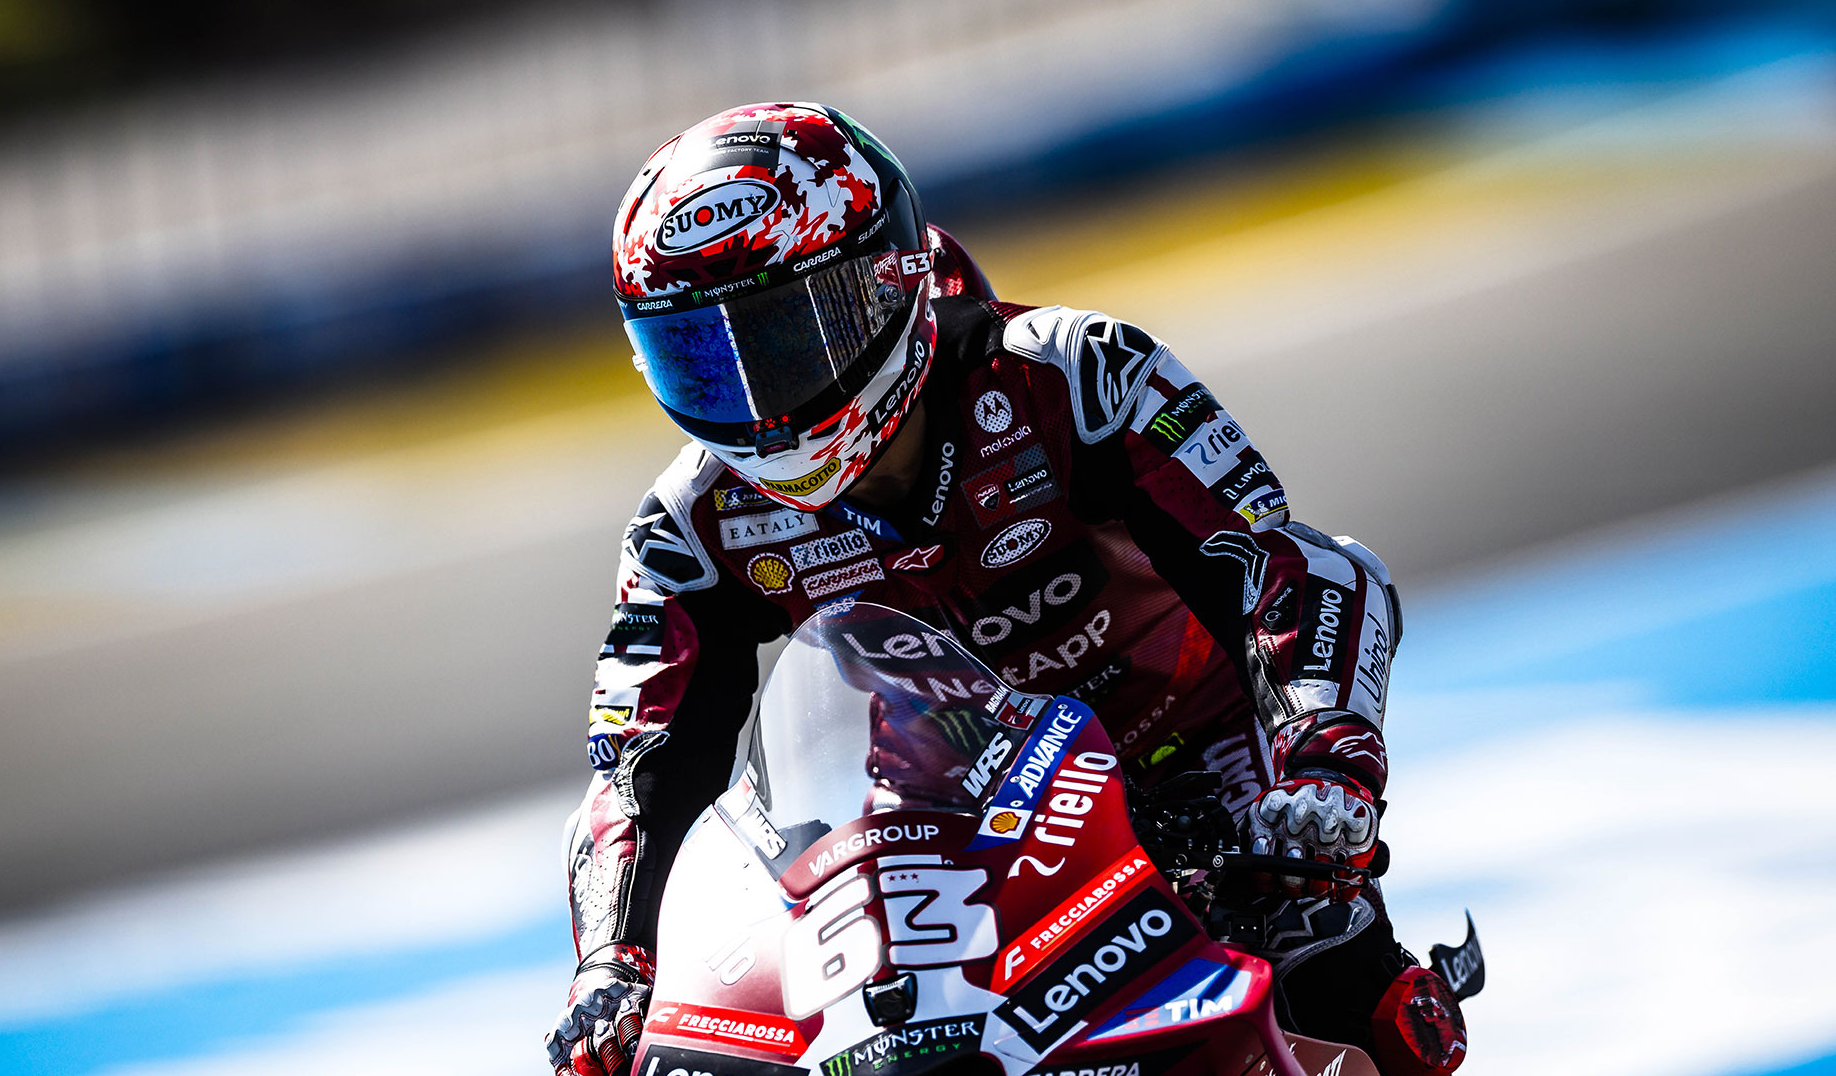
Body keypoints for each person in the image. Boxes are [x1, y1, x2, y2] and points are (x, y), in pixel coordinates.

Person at [546, 103, 1466, 1076]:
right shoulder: (689, 524)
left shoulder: (1075, 373)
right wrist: (613, 964)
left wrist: (1323, 767)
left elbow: (1288, 568)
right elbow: (636, 770)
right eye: (702, 359)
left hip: (1203, 775)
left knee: (1343, 981)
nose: (756, 399)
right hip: (951, 830)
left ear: (888, 281)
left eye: (784, 339)